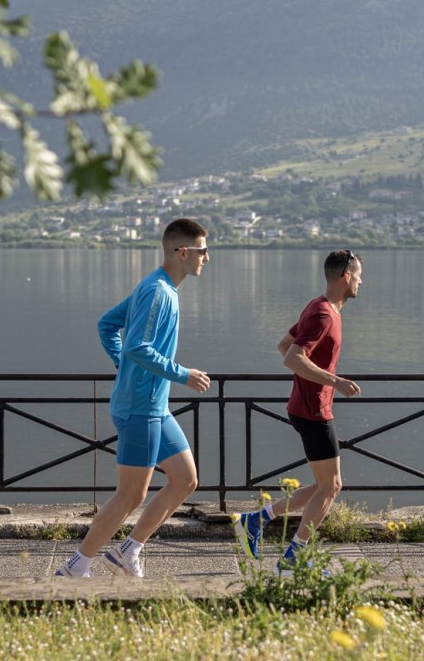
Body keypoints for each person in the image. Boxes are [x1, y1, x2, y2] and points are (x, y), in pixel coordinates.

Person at [55, 218, 212, 578]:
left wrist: (123, 365)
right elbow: (138, 347)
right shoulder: (157, 292)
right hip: (140, 409)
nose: (207, 257)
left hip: (155, 407)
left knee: (185, 479)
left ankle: (128, 551)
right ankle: (76, 567)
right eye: (203, 250)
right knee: (130, 495)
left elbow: (107, 326)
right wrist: (182, 374)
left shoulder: (159, 287)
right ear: (183, 252)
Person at [233, 249, 363, 574]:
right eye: (359, 275)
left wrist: (310, 380)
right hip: (313, 411)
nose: (361, 281)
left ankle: (257, 521)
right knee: (331, 487)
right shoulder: (324, 315)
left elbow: (284, 345)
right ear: (346, 276)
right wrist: (334, 381)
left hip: (306, 407)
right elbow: (292, 357)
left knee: (324, 485)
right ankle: (292, 559)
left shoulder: (318, 306)